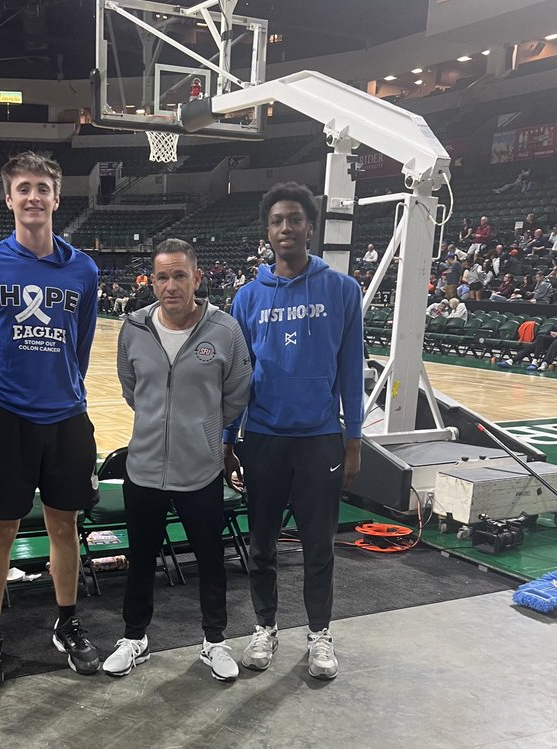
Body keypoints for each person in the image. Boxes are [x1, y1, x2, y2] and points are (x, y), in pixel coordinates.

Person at [0, 150, 100, 690]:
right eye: (24, 188)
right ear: (10, 197)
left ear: (57, 198)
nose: (34, 196)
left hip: (67, 418)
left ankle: (67, 621)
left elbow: (81, 344)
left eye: (43, 187)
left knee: (65, 525)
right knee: (0, 528)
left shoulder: (83, 269)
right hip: (8, 418)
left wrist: (62, 385)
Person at [224, 182, 364, 681]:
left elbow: (351, 370)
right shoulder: (247, 297)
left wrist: (354, 441)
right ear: (268, 231)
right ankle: (265, 627)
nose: (286, 228)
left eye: (295, 219)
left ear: (310, 226)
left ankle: (320, 634)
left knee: (318, 545)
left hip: (321, 438)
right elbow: (237, 377)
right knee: (261, 543)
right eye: (277, 220)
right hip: (263, 438)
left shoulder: (343, 291)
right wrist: (228, 440)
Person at [104, 238, 251, 681]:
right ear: (152, 280)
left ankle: (214, 641)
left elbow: (237, 391)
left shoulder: (224, 330)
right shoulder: (133, 329)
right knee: (142, 559)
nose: (171, 285)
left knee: (210, 560)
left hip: (200, 470)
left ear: (197, 278)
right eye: (162, 276)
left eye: (180, 275)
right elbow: (132, 389)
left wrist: (203, 432)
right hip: (144, 469)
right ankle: (134, 638)